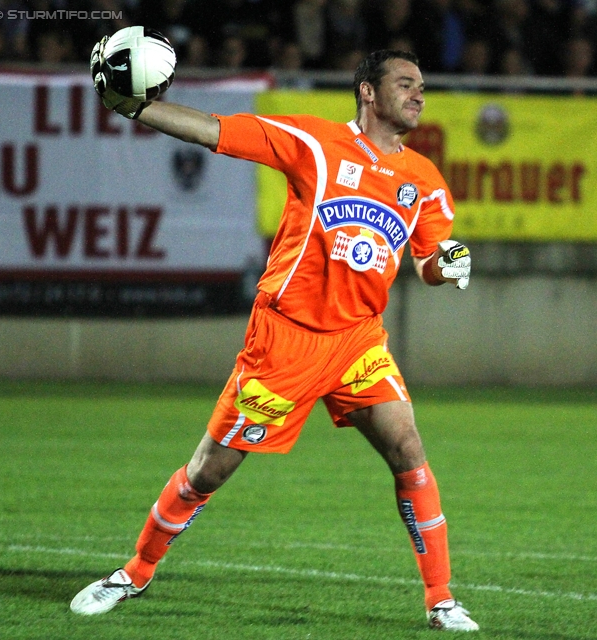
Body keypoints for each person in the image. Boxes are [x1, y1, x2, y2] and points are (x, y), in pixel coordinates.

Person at [70, 43, 478, 633]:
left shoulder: (423, 179)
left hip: (358, 343)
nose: (420, 93)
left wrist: (451, 265)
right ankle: (132, 573)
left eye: (422, 85)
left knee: (408, 451)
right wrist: (137, 109)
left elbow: (428, 261)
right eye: (406, 83)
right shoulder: (314, 143)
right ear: (368, 91)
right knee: (208, 471)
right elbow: (216, 131)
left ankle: (441, 600)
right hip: (285, 341)